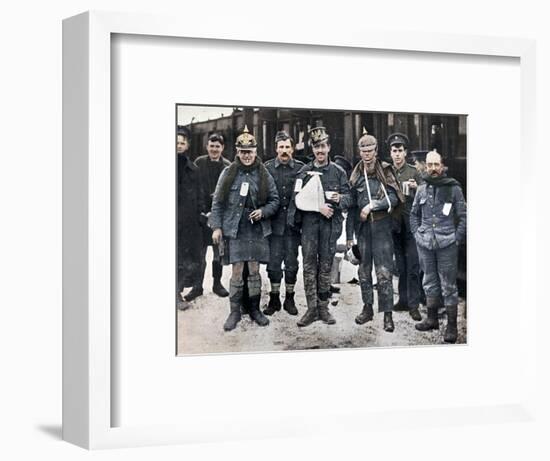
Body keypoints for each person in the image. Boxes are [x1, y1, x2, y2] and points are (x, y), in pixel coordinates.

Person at [210, 126, 280, 331]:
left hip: (256, 227)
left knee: (255, 269)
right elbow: (217, 203)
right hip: (236, 227)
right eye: (243, 152)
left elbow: (274, 200)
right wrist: (216, 227)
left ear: (256, 152)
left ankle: (255, 309)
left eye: (250, 152)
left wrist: (263, 212)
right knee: (237, 269)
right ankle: (234, 312)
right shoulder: (228, 172)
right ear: (237, 153)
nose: (247, 156)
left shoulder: (263, 173)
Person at [288, 126, 351, 327]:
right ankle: (311, 308)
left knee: (325, 266)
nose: (320, 151)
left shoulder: (339, 172)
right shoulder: (304, 172)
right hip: (309, 228)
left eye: (323, 146)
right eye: (316, 147)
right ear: (312, 149)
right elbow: (295, 200)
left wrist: (340, 198)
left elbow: (350, 199)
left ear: (329, 147)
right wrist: (316, 208)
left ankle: (323, 307)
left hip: (330, 227)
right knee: (308, 266)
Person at [346, 130, 403, 332]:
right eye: (364, 151)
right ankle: (367, 308)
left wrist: (373, 205)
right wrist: (349, 237)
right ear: (360, 152)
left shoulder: (385, 171)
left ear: (376, 151)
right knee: (363, 271)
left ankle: (387, 315)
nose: (367, 155)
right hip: (363, 229)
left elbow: (395, 198)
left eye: (370, 150)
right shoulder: (356, 174)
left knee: (384, 271)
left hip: (382, 227)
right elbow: (352, 207)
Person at [411, 149, 467, 343]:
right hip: (425, 243)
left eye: (436, 164)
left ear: (442, 166)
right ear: (425, 167)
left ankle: (452, 327)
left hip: (447, 243)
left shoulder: (453, 188)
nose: (433, 169)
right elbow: (414, 214)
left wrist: (456, 238)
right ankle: (432, 319)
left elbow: (464, 216)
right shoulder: (421, 189)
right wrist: (417, 234)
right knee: (429, 281)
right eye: (430, 165)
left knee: (448, 286)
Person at [263, 131, 304, 316]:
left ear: (293, 148)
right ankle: (273, 298)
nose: (284, 151)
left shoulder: (301, 169)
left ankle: (289, 298)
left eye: (288, 147)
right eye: (281, 147)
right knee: (273, 263)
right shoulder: (267, 168)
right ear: (276, 149)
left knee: (291, 263)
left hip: (293, 226)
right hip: (273, 225)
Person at [189, 133, 231, 301]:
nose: (214, 149)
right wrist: (202, 211)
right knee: (199, 254)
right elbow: (193, 189)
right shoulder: (198, 163)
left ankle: (217, 284)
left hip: (219, 217)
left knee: (217, 253)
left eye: (218, 146)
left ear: (223, 148)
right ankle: (197, 286)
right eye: (212, 146)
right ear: (207, 147)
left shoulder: (228, 166)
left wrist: (218, 213)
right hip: (201, 215)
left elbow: (229, 193)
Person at [387, 133, 423, 321]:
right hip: (394, 225)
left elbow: (426, 195)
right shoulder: (386, 172)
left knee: (413, 266)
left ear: (405, 152)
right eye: (394, 151)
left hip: (411, 225)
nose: (397, 154)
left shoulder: (414, 172)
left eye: (400, 151)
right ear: (390, 153)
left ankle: (414, 305)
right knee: (400, 265)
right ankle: (403, 299)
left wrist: (417, 187)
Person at [176, 127, 204, 310]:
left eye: (182, 143)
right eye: (176, 142)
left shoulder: (193, 169)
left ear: (187, 145)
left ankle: (176, 293)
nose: (178, 146)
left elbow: (200, 196)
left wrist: (201, 214)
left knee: (183, 258)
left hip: (186, 223)